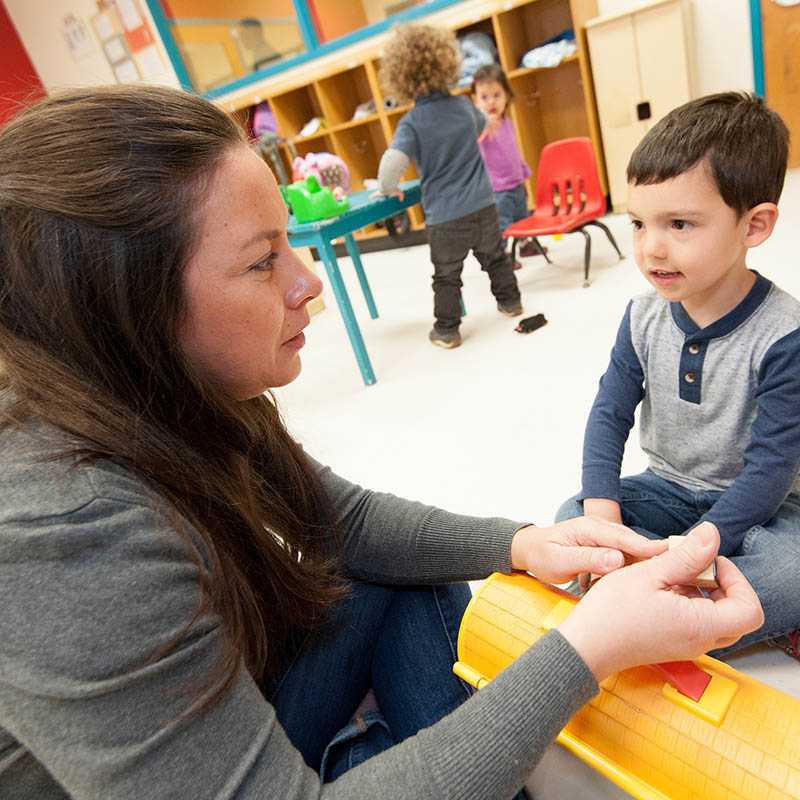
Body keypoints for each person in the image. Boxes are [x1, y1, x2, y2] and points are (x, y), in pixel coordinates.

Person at [0, 85, 764, 800]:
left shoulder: (169, 388)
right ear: (128, 307)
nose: (308, 284)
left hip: (223, 703)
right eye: (263, 262)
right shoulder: (63, 529)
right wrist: (588, 650)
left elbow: (344, 524)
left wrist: (528, 542)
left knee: (409, 576)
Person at [555, 92, 800, 656]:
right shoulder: (643, 315)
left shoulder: (784, 334)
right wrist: (602, 512)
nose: (651, 248)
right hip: (666, 489)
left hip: (762, 509)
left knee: (791, 568)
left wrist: (692, 548)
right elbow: (608, 414)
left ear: (754, 225)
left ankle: (649, 605)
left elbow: (769, 472)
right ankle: (693, 608)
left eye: (680, 224)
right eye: (639, 223)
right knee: (571, 516)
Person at [376, 24, 523, 350]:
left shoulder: (412, 123)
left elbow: (391, 165)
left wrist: (389, 188)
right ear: (447, 63)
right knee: (496, 258)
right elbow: (484, 124)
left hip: (445, 217)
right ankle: (511, 302)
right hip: (484, 205)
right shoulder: (463, 107)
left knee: (447, 276)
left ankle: (447, 330)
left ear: (402, 77)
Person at [471, 63, 545, 269]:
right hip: (497, 190)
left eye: (496, 95)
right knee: (502, 224)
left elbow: (513, 149)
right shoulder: (481, 127)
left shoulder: (507, 122)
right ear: (475, 101)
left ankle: (525, 244)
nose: (491, 102)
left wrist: (523, 170)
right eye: (484, 97)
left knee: (522, 216)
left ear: (506, 96)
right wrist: (484, 124)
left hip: (516, 183)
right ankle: (500, 256)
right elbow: (475, 143)